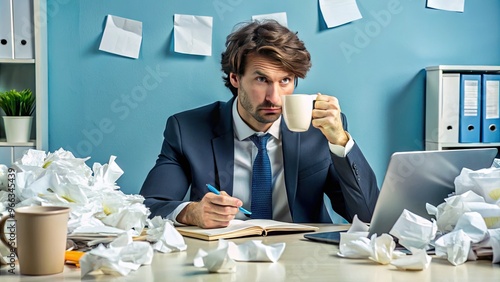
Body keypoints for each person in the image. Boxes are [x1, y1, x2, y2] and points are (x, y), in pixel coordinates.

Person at [140, 20, 379, 229]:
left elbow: (368, 216)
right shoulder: (187, 130)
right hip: (224, 259)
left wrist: (340, 142)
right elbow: (148, 207)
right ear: (235, 78)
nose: (274, 98)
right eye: (261, 79)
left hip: (304, 258)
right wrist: (192, 212)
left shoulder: (319, 131)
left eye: (285, 80)